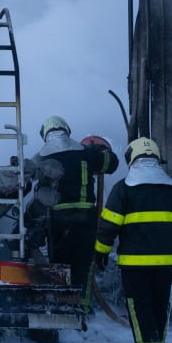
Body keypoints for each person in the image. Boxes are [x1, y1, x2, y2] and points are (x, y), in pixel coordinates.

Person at [94, 137, 172, 343]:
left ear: (131, 158)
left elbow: (109, 225)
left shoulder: (123, 188)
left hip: (135, 263)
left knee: (139, 306)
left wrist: (100, 251)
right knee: (159, 306)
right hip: (166, 263)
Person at [27, 115, 119, 313]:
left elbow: (26, 181)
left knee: (58, 264)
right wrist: (101, 150)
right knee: (83, 266)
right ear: (66, 129)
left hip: (55, 220)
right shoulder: (85, 152)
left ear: (45, 134)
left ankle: (61, 306)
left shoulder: (40, 156)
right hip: (85, 218)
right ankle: (81, 310)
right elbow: (111, 164)